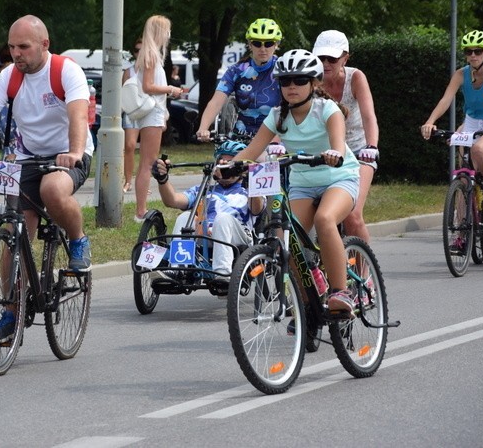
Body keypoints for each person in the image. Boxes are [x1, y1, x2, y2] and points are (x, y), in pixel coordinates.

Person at [0, 15, 94, 342]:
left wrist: (74, 150)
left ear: (44, 45)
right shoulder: (8, 77)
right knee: (13, 229)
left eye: (23, 47)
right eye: (12, 47)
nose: (16, 53)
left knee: (53, 188)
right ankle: (12, 311)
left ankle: (78, 238)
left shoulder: (66, 71)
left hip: (70, 151)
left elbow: (78, 114)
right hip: (26, 156)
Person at [233, 49, 361, 314]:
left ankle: (341, 291)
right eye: (285, 81)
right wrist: (226, 166)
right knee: (286, 241)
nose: (292, 86)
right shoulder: (278, 115)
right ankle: (306, 306)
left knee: (325, 219)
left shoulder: (327, 109)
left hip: (339, 177)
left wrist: (334, 153)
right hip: (303, 183)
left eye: (300, 80)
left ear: (314, 83)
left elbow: (338, 141)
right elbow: (251, 152)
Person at [420, 30, 483, 221]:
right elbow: (446, 100)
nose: (472, 56)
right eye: (468, 52)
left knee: (479, 149)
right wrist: (430, 122)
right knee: (464, 176)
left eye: (477, 51)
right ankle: (462, 235)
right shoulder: (461, 74)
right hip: (471, 122)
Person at [151, 140, 265, 280]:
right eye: (223, 162)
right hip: (204, 235)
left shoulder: (248, 190)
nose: (226, 166)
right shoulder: (205, 189)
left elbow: (257, 209)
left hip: (237, 235)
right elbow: (172, 201)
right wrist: (162, 180)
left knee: (222, 219)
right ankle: (178, 269)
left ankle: (222, 273)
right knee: (185, 217)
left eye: (231, 163)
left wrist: (250, 180)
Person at [313, 30, 379, 242]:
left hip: (358, 152)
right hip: (326, 152)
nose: (325, 63)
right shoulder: (310, 80)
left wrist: (372, 147)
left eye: (331, 58)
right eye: (320, 58)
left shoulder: (356, 77)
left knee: (352, 214)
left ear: (345, 58)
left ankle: (366, 271)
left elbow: (369, 117)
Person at [131, 15, 184, 222]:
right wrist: (171, 89)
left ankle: (140, 207)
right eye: (167, 31)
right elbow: (148, 86)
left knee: (146, 161)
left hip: (154, 111)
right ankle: (140, 210)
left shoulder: (149, 55)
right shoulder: (151, 56)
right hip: (152, 112)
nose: (169, 36)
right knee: (148, 162)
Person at [196, 18, 282, 141]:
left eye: (268, 43)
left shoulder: (284, 69)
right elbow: (216, 102)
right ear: (250, 44)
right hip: (242, 136)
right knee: (224, 159)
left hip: (274, 137)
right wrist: (203, 128)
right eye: (257, 43)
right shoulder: (237, 71)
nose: (263, 49)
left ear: (276, 45)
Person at [122, 38, 143, 193]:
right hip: (132, 111)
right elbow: (123, 93)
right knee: (129, 145)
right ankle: (128, 181)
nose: (139, 53)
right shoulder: (128, 71)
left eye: (142, 49)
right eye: (136, 50)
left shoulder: (154, 69)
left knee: (148, 150)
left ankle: (143, 182)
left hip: (149, 110)